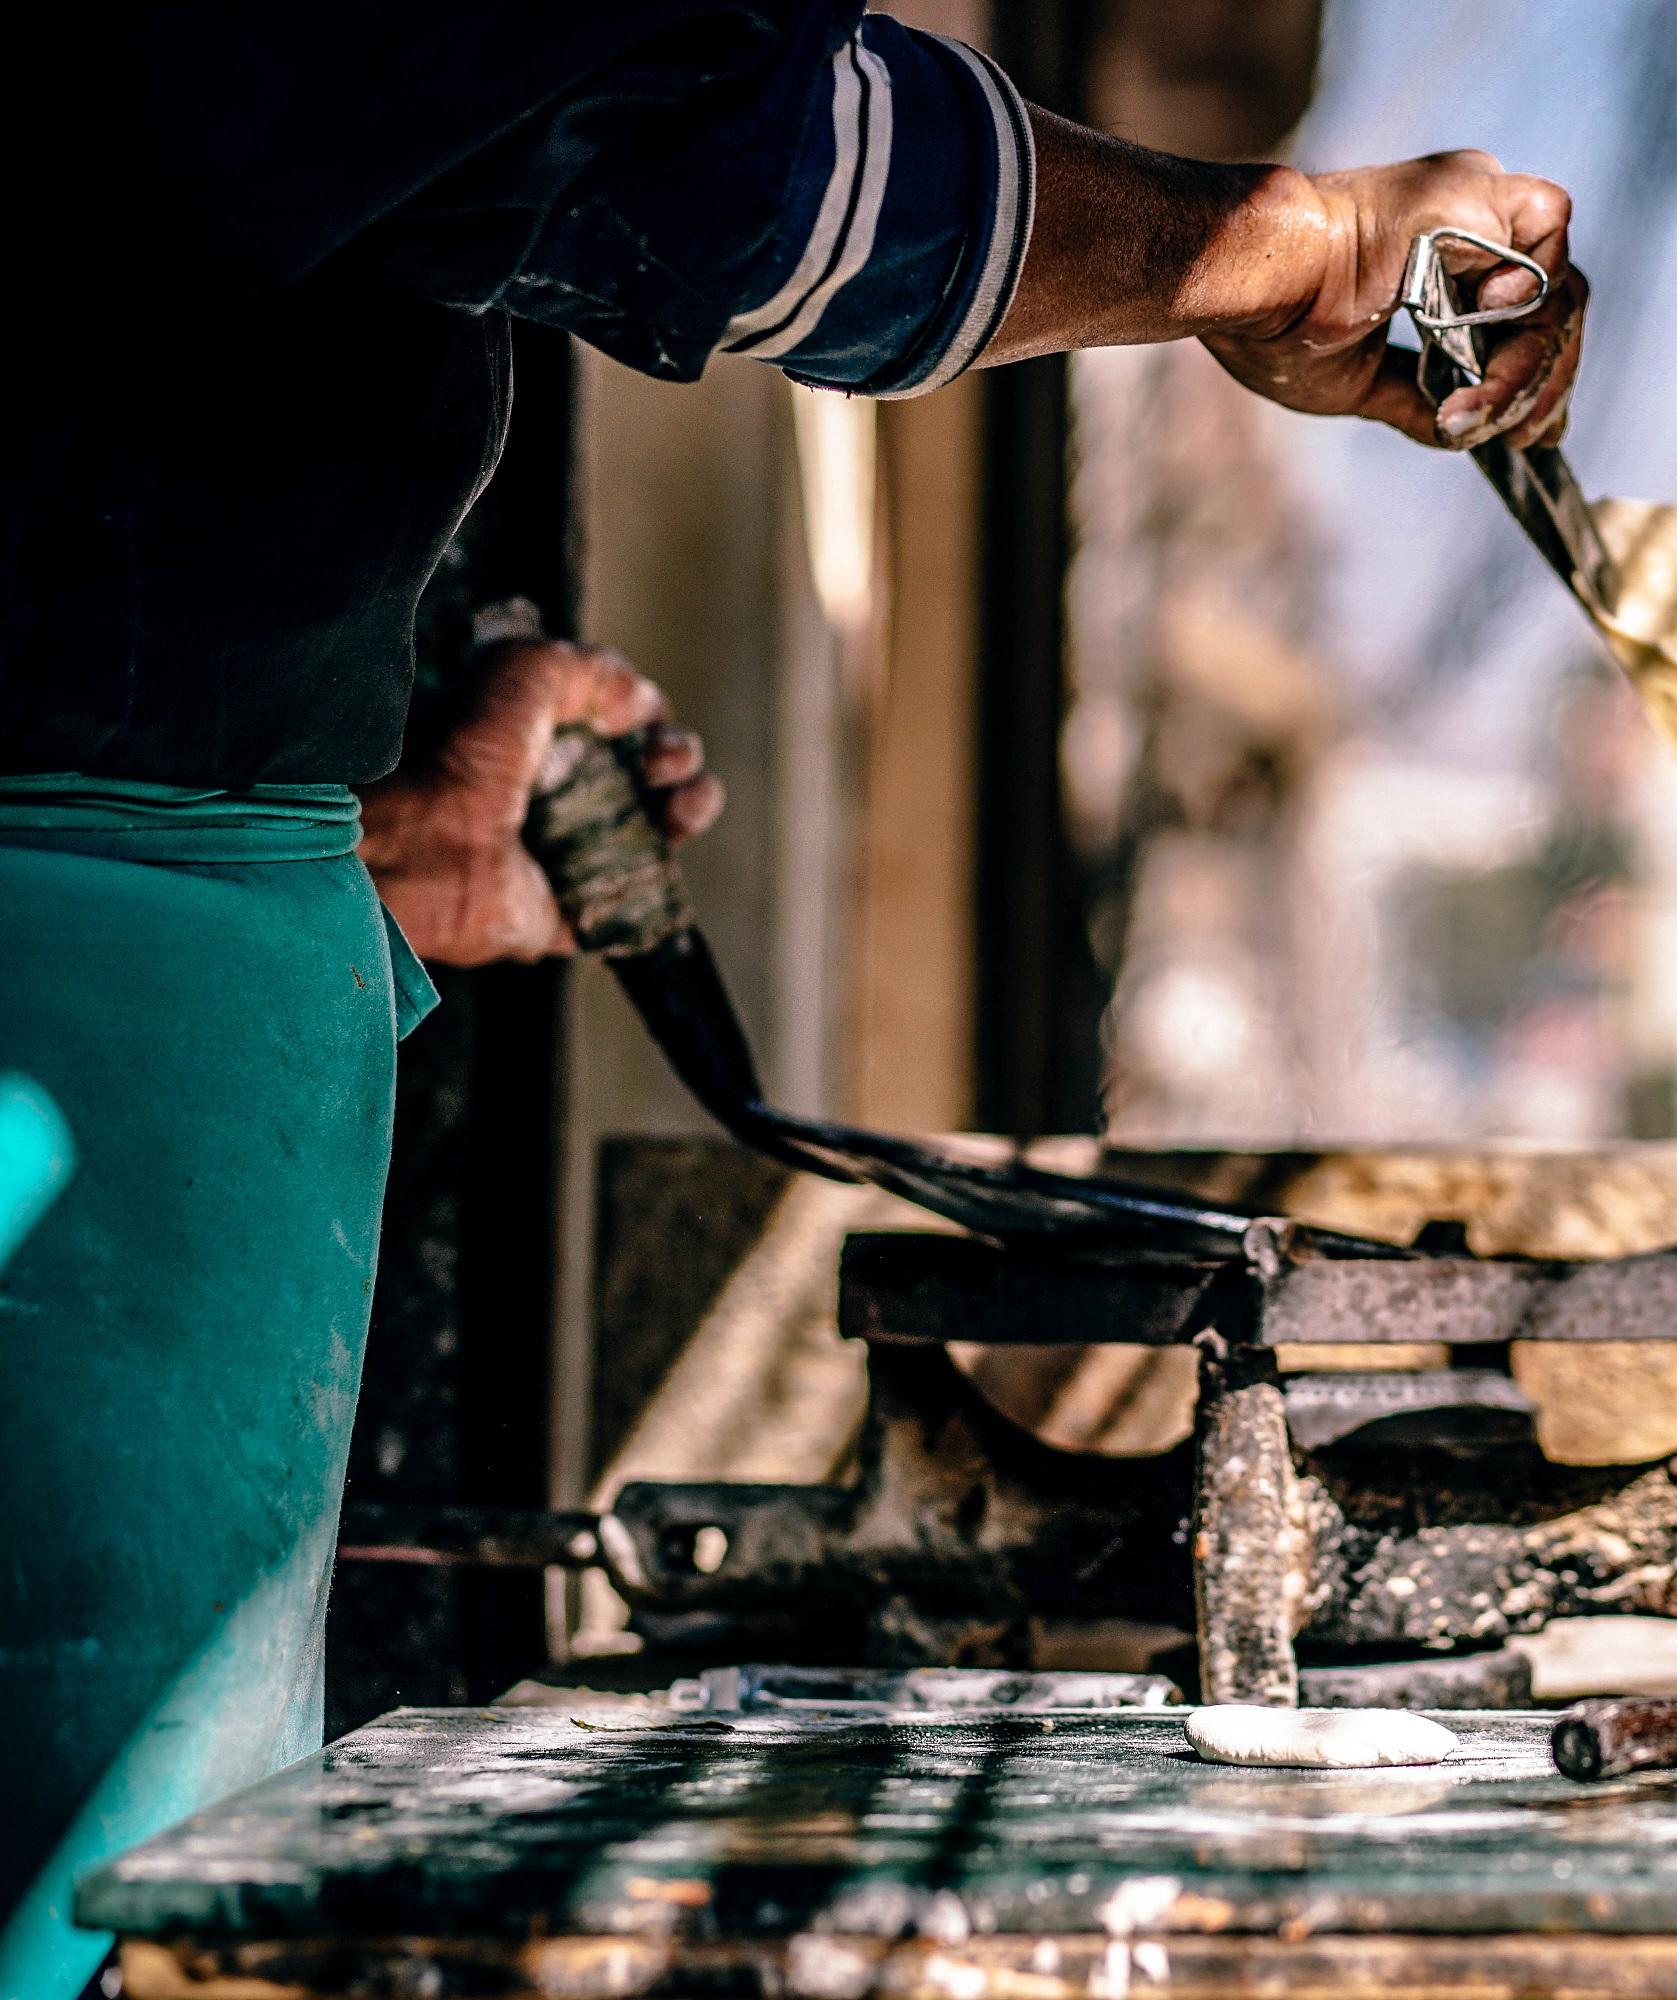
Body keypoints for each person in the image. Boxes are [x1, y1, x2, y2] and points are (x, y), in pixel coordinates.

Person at [0, 6, 1585, 1991]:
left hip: (202, 906)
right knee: (94, 1907)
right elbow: (656, 128)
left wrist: (372, 733)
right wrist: (1267, 248)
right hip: (83, 949)